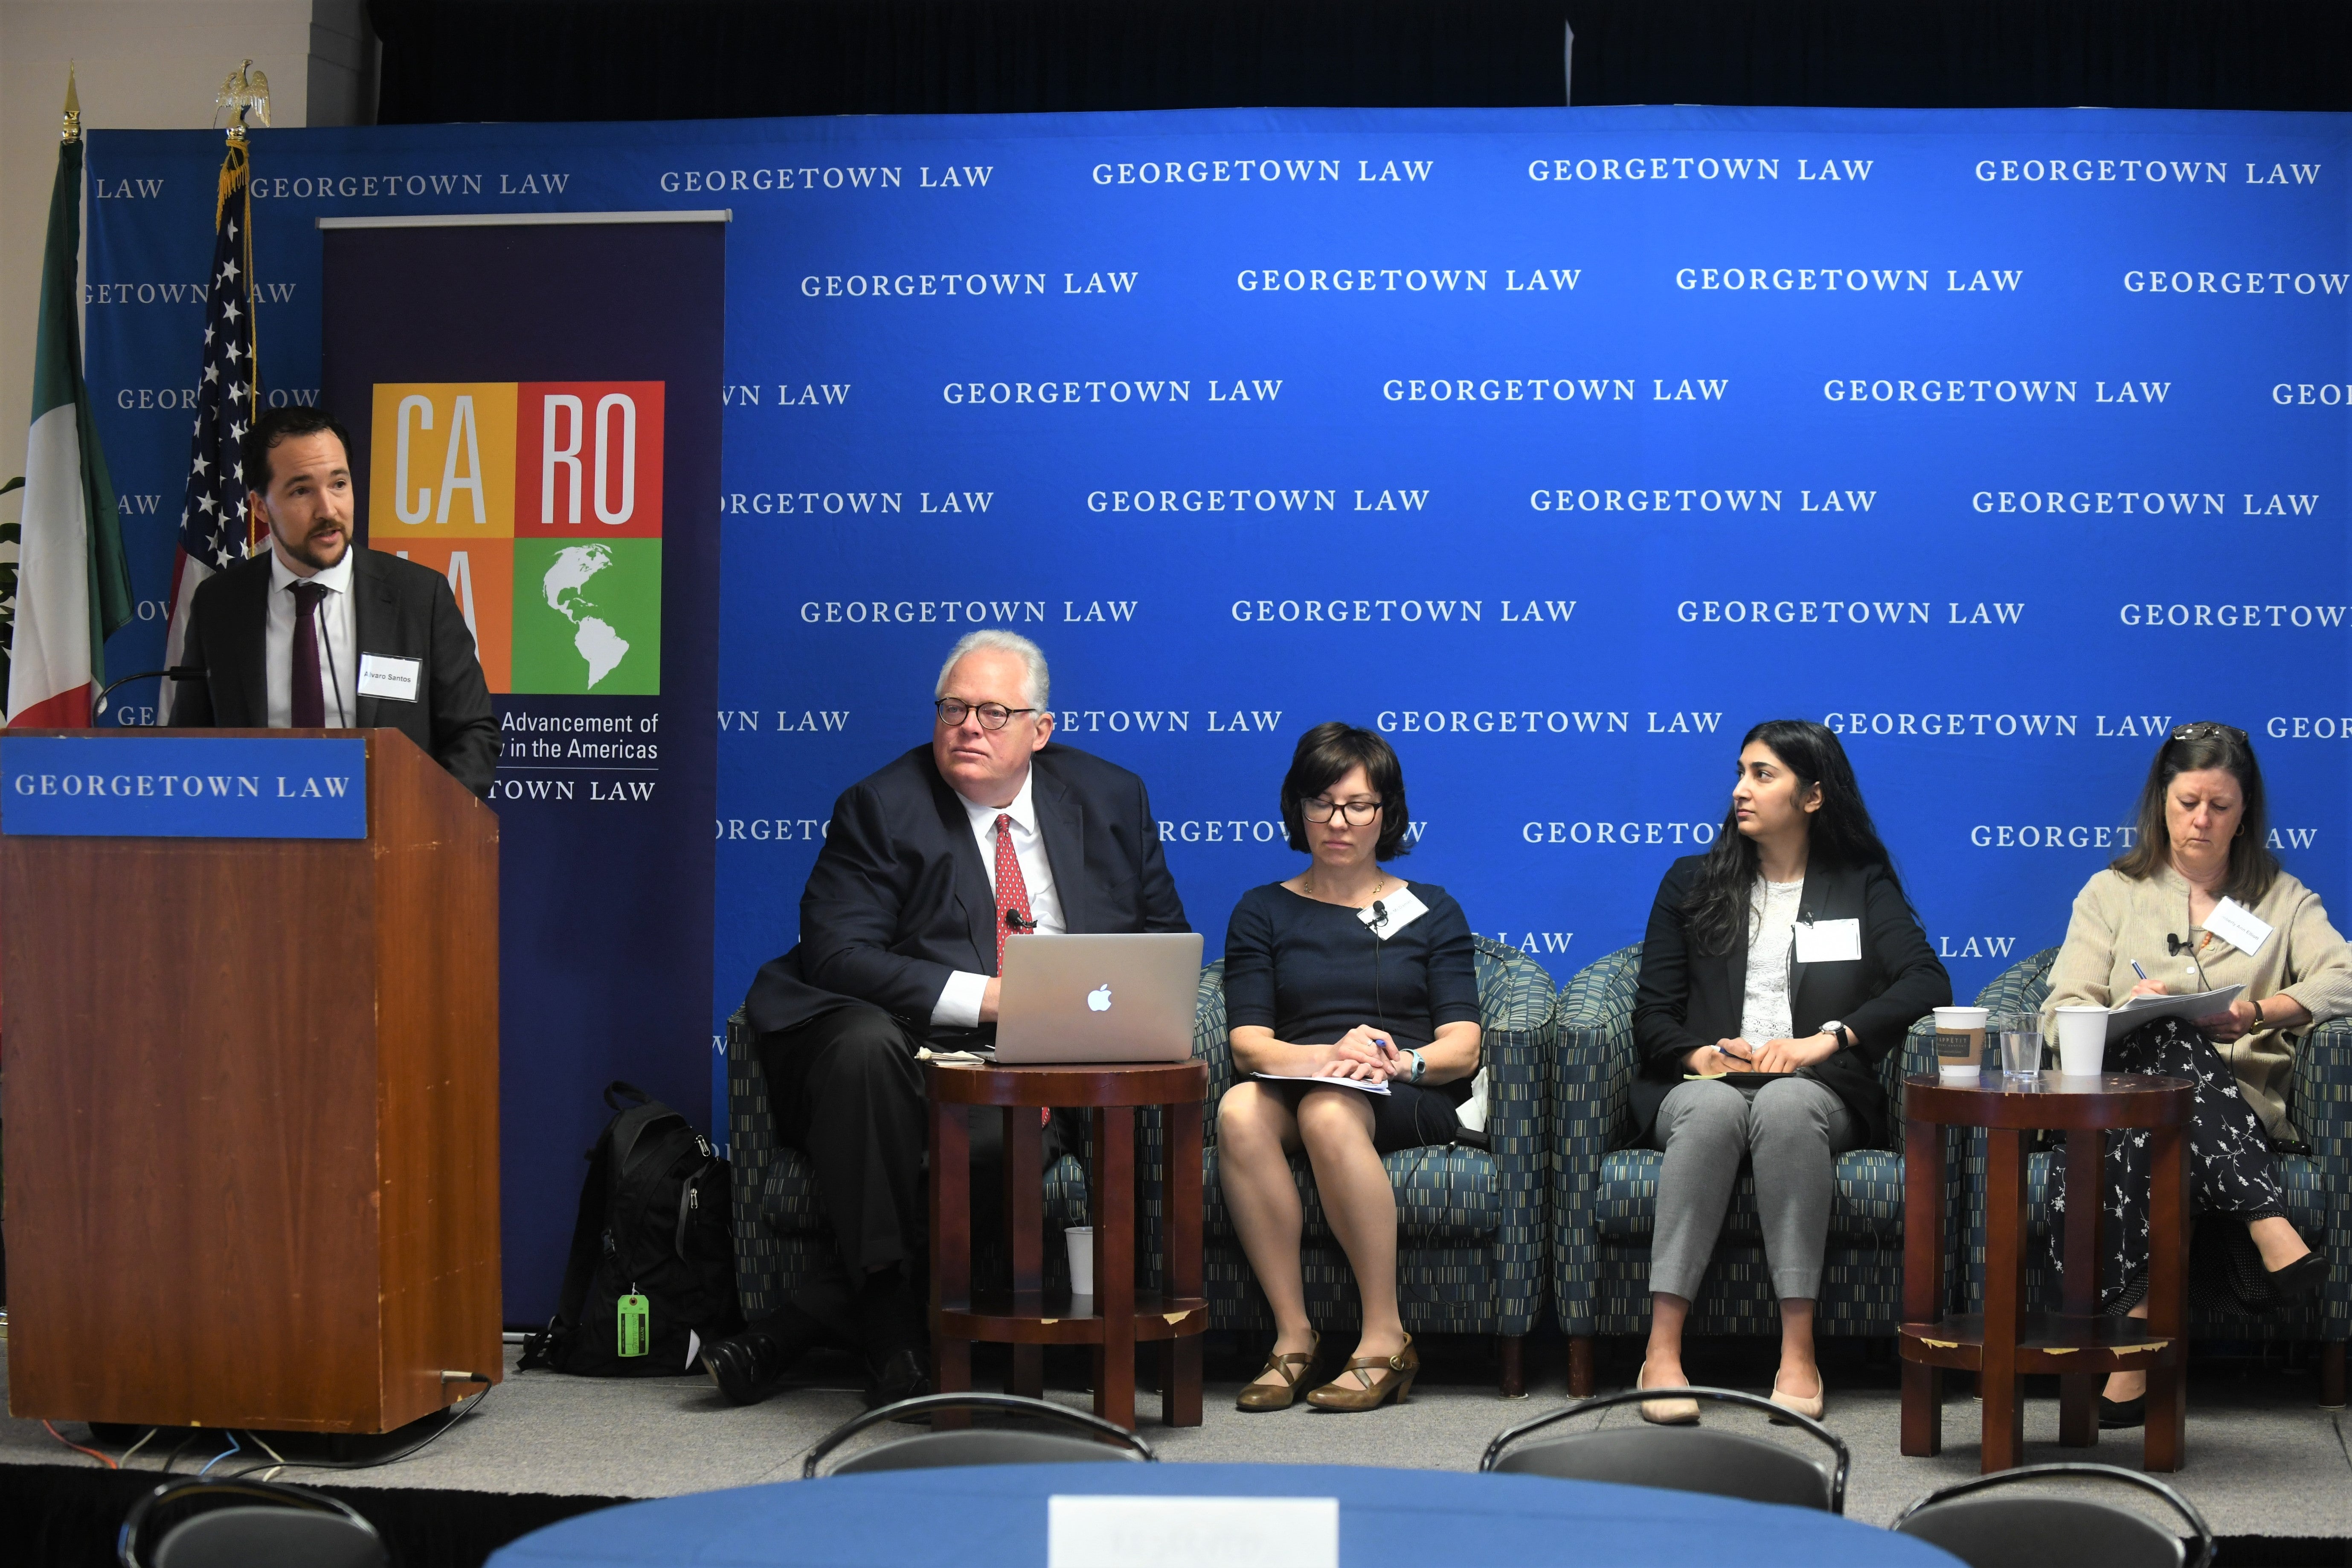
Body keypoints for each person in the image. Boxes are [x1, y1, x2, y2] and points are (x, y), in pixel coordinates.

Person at [704, 630, 1189, 1409]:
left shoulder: (1109, 798)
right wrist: (994, 996)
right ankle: (889, 1330)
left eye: (994, 712)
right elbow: (838, 953)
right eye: (953, 708)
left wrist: (1081, 1006)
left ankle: (823, 1322)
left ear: (1040, 729)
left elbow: (1163, 937)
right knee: (860, 1049)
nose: (969, 726)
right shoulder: (881, 805)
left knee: (995, 1134)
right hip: (906, 1036)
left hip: (1049, 1051)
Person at [1628, 719, 1949, 1423]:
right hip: (1703, 1085)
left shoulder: (1857, 883)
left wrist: (1824, 1039)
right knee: (1714, 1111)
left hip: (1814, 1089)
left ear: (1810, 795)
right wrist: (1700, 1056)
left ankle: (1797, 1351)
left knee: (1781, 1106)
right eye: (1740, 772)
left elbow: (1927, 980)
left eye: (1761, 775)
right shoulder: (1690, 881)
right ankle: (1661, 1351)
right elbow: (1650, 1013)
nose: (1740, 790)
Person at [2042, 722, 2349, 1427]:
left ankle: (2120, 1360)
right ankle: (2264, 1220)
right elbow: (2061, 1009)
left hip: (2231, 1104)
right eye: (2186, 802)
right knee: (2159, 1035)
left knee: (2171, 1069)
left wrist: (2256, 1012)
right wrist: (2127, 1010)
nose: (2199, 820)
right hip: (2121, 1097)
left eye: (2217, 804)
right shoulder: (2109, 892)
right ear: (2160, 803)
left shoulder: (2281, 898)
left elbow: (2345, 979)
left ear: (2244, 812)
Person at [1214, 723, 1481, 1413]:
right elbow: (1248, 1045)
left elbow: (1462, 1045)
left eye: (1357, 804)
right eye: (1321, 802)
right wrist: (1330, 1055)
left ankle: (1384, 1338)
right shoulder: (1260, 910)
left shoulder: (1430, 908)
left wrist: (1402, 1061)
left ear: (1385, 813)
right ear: (1295, 809)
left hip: (1400, 1089)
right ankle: (1293, 1337)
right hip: (1301, 1072)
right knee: (1239, 1108)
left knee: (1327, 1109)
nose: (1337, 821)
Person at [166, 406, 499, 797]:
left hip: (395, 844)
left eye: (339, 484)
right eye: (302, 491)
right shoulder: (220, 605)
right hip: (259, 846)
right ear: (259, 507)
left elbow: (473, 733)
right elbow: (188, 744)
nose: (328, 510)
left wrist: (427, 820)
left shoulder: (419, 597)